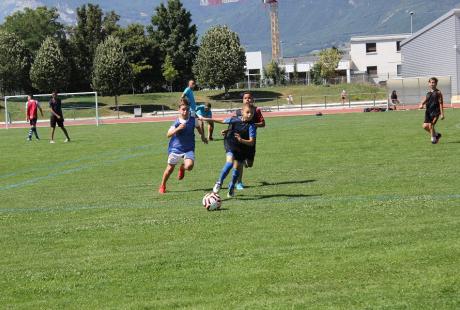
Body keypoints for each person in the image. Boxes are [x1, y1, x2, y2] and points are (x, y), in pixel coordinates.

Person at [200, 103, 256, 198]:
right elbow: (221, 121)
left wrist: (241, 140)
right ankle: (219, 182)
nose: (250, 115)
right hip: (230, 143)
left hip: (242, 147)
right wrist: (205, 119)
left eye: (252, 113)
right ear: (242, 112)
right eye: (247, 112)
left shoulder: (251, 126)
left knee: (237, 169)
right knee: (229, 163)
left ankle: (232, 186)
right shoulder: (234, 119)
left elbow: (251, 142)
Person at [158, 98, 207, 194]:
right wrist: (178, 129)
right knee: (170, 169)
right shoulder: (177, 122)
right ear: (179, 110)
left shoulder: (193, 120)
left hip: (189, 148)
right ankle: (162, 185)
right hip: (175, 148)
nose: (185, 111)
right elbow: (168, 134)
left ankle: (182, 168)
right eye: (183, 109)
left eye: (187, 109)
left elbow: (198, 127)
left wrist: (203, 137)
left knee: (189, 166)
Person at [234, 92, 265, 190]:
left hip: (251, 140)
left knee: (249, 164)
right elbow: (234, 124)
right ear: (242, 100)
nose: (248, 99)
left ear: (253, 99)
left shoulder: (256, 110)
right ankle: (239, 183)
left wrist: (252, 125)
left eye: (250, 98)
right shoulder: (238, 112)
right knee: (240, 162)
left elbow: (263, 124)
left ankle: (244, 162)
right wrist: (227, 131)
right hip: (240, 139)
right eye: (245, 98)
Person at [419, 77, 445, 144]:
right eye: (431, 82)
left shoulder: (438, 92)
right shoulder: (428, 93)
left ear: (436, 84)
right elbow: (424, 101)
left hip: (436, 112)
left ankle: (433, 140)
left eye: (434, 82)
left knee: (431, 125)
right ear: (429, 83)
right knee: (424, 126)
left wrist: (442, 114)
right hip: (428, 112)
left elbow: (441, 103)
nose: (432, 84)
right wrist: (421, 104)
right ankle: (437, 135)